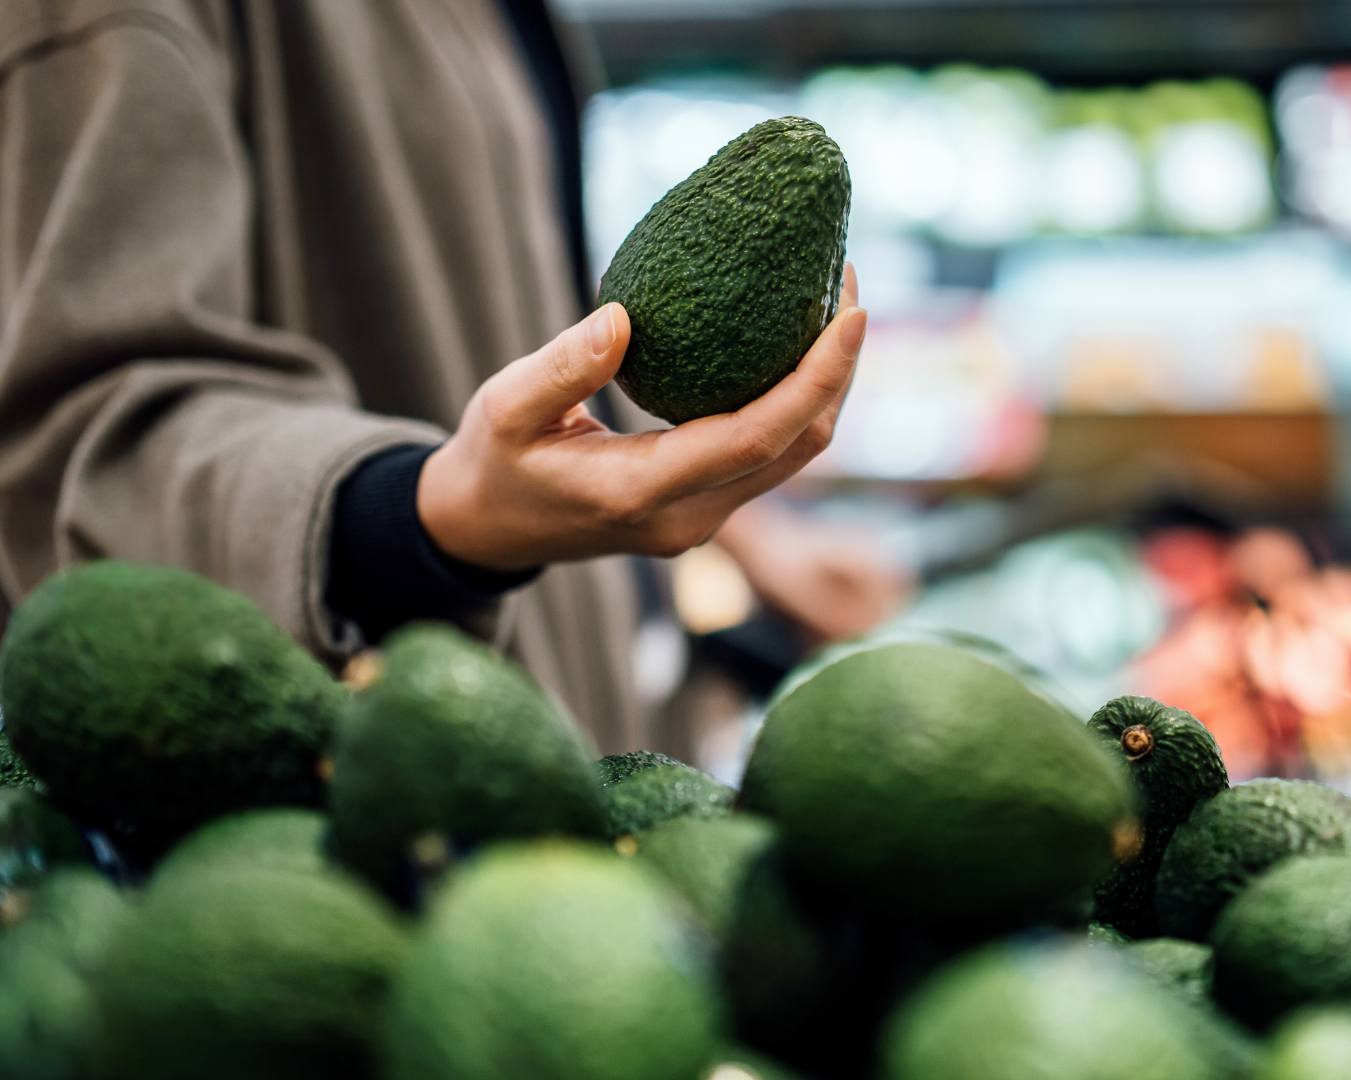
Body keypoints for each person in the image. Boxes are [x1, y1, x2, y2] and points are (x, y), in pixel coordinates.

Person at [0, 0, 907, 753]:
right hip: (357, 814)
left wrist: (741, 538)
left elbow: (539, 314)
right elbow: (77, 437)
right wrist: (435, 509)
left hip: (557, 745)